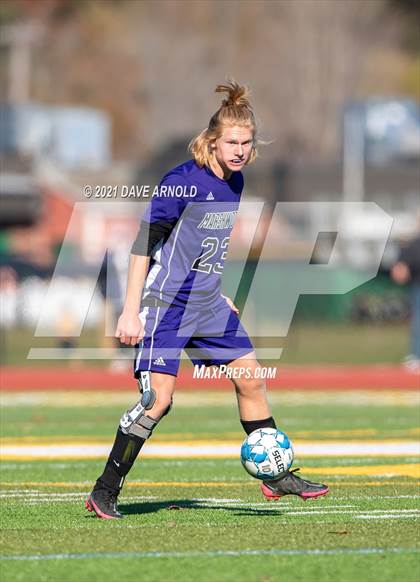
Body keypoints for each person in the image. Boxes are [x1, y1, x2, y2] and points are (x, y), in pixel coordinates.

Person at [86, 80, 328, 519]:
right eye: (231, 142)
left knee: (251, 379)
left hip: (208, 304)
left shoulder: (235, 183)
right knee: (157, 401)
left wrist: (220, 294)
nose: (239, 150)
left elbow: (205, 246)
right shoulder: (181, 181)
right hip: (166, 305)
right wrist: (129, 310)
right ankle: (105, 489)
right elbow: (144, 244)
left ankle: (276, 476)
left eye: (246, 143)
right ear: (212, 141)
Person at [391, 232, 420, 371]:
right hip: (417, 286)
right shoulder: (413, 244)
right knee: (418, 321)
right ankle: (416, 356)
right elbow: (400, 269)